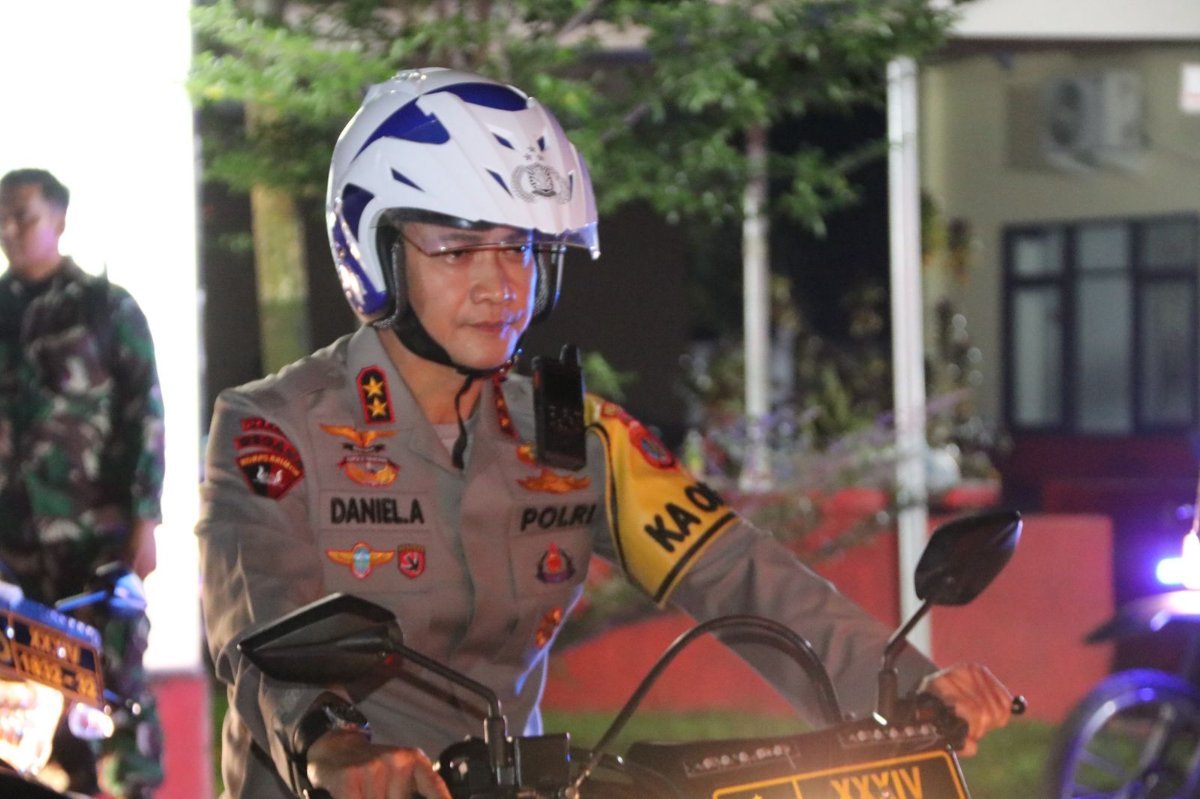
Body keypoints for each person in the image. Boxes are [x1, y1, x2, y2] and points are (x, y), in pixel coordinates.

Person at [197, 67, 1014, 799]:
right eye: (458, 250)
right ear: (373, 249)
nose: (500, 284)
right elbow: (260, 633)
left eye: (520, 247)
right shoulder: (277, 426)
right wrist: (333, 745)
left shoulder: (575, 439)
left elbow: (739, 574)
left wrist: (909, 686)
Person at [0, 168, 165, 798]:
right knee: (25, 702)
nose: (11, 230)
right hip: (13, 546)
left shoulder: (104, 307)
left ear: (59, 220)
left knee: (111, 689)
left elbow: (145, 414)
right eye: (3, 219)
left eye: (24, 217)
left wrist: (145, 521)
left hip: (93, 539)